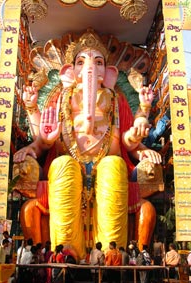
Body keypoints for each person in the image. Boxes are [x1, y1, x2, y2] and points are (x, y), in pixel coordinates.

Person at [13, 29, 162, 260]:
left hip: (107, 163)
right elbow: (44, 138)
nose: (91, 67)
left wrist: (136, 135)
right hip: (68, 162)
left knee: (114, 166)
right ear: (69, 72)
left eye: (98, 62)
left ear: (109, 72)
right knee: (63, 165)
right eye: (81, 62)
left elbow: (127, 142)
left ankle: (112, 254)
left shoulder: (115, 98)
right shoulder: (61, 98)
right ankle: (65, 254)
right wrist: (34, 116)